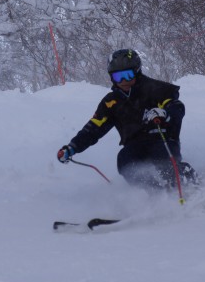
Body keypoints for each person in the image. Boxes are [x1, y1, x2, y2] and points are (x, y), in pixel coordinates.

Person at [57, 48, 197, 189]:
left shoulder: (155, 89)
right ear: (112, 78)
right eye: (118, 77)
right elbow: (93, 129)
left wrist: (164, 113)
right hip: (134, 145)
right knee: (125, 161)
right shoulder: (111, 103)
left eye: (128, 75)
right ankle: (154, 195)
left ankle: (190, 186)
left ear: (137, 71)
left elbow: (177, 107)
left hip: (162, 139)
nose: (123, 81)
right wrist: (72, 147)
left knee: (162, 158)